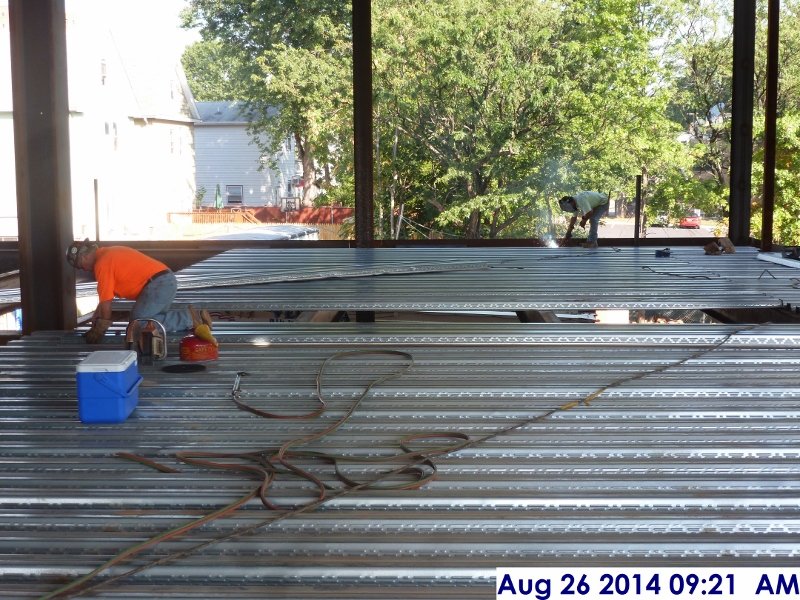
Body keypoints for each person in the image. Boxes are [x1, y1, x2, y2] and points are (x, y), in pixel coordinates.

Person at [66, 240, 210, 344]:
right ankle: (190, 321)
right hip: (163, 282)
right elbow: (104, 299)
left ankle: (191, 318)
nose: (84, 269)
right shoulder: (107, 255)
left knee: (138, 323)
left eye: (81, 266)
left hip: (158, 285)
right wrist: (96, 319)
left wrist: (101, 328)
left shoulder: (102, 264)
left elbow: (106, 304)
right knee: (150, 323)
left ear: (84, 257)